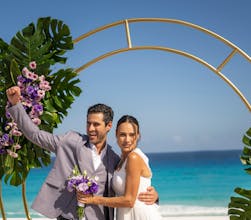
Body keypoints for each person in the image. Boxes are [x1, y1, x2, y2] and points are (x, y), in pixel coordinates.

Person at [6, 86, 158, 220]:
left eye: (96, 124)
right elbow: (35, 135)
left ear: (109, 126)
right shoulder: (70, 142)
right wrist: (16, 105)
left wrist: (155, 197)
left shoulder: (115, 159)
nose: (91, 128)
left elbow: (129, 189)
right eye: (88, 123)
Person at [77, 115, 162, 220]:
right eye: (122, 135)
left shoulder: (133, 157)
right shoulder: (121, 160)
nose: (127, 140)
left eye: (132, 135)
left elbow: (129, 201)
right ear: (116, 134)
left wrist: (93, 200)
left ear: (138, 136)